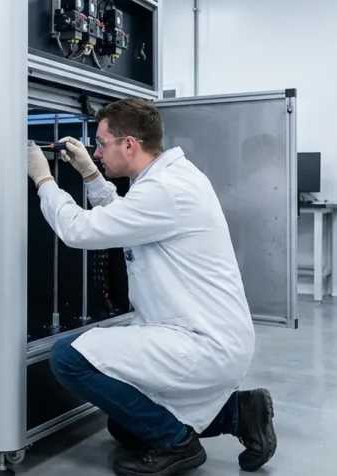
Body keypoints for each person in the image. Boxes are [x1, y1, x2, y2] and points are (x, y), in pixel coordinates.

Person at [26, 98, 277, 476]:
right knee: (124, 427)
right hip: (204, 332)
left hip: (201, 341)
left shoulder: (165, 189)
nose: (97, 151)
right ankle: (239, 413)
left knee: (67, 357)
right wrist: (90, 174)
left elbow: (78, 230)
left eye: (101, 144)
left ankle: (177, 444)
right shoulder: (169, 180)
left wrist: (43, 179)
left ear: (129, 144)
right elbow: (127, 216)